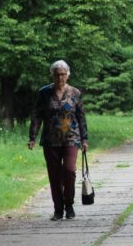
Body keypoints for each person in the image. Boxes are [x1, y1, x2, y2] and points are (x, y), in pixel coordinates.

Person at [28, 60, 88, 221]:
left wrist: (84, 139)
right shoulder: (44, 93)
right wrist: (32, 137)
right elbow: (37, 115)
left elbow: (81, 116)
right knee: (54, 175)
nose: (60, 77)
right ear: (52, 76)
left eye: (63, 74)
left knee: (69, 171)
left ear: (67, 75)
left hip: (71, 138)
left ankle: (69, 205)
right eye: (57, 75)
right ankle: (58, 209)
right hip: (50, 140)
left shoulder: (75, 93)